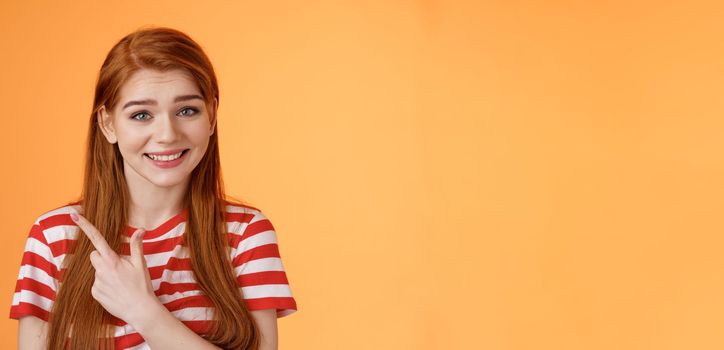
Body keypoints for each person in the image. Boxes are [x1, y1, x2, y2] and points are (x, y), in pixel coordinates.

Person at [9, 26, 298, 350]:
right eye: (142, 114)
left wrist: (143, 311)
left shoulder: (245, 235)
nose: (167, 134)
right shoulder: (54, 238)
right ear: (107, 123)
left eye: (186, 110)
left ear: (212, 115)